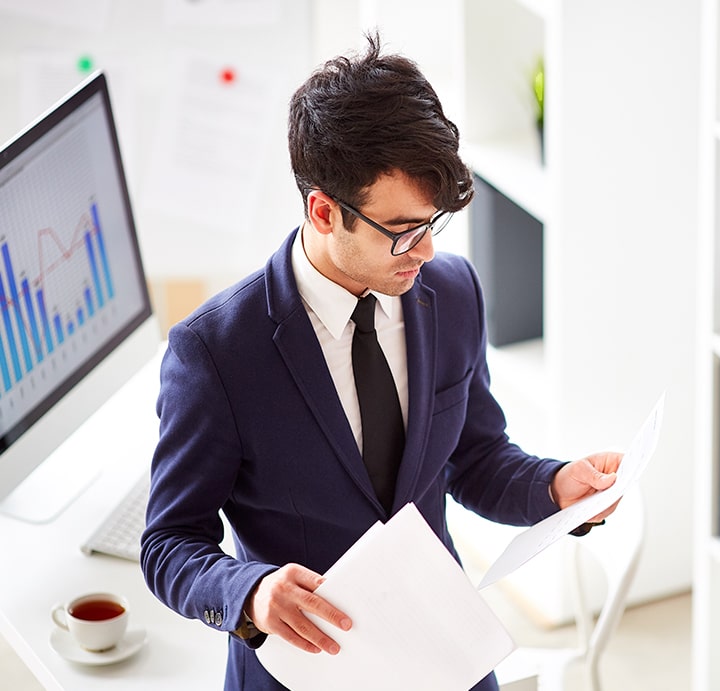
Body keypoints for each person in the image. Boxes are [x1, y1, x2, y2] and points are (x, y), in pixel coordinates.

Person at [140, 32, 622, 691]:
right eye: (403, 230)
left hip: (444, 653)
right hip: (303, 670)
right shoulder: (217, 351)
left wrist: (553, 486)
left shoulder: (451, 293)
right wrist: (251, 593)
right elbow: (168, 543)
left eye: (432, 224)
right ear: (323, 209)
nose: (423, 251)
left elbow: (475, 458)